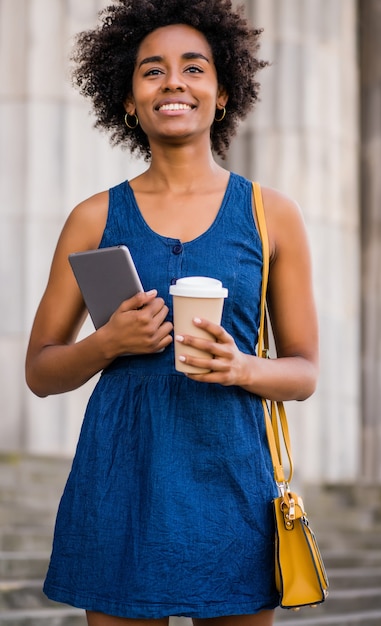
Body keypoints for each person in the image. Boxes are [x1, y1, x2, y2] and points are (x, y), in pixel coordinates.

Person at [25, 1, 318, 625]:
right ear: (129, 99)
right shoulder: (93, 218)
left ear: (222, 91)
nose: (174, 82)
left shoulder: (273, 216)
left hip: (234, 484)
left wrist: (241, 368)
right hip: (121, 483)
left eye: (194, 68)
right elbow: (41, 370)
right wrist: (107, 343)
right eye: (152, 71)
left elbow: (304, 372)